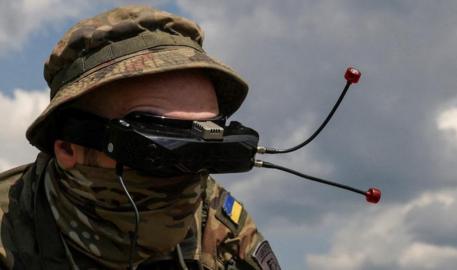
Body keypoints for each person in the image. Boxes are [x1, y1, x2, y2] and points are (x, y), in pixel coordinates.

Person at [0, 5, 280, 270]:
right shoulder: (9, 233)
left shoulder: (219, 228)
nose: (188, 173)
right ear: (68, 148)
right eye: (157, 148)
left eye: (205, 150)